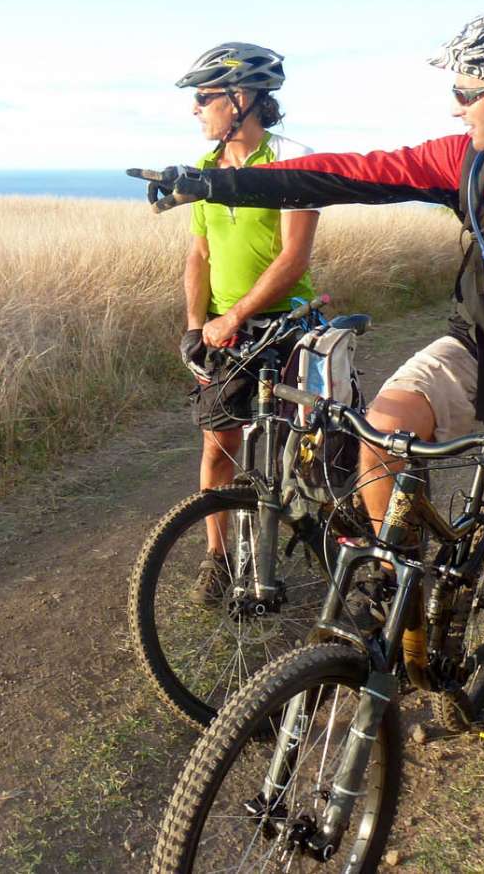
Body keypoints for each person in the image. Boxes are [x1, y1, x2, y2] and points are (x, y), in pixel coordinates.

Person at [135, 8, 484, 817]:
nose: (455, 105)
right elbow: (352, 171)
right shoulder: (470, 158)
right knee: (383, 426)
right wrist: (212, 181)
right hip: (476, 351)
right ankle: (394, 582)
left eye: (466, 88)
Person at [173, 43, 319, 605]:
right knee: (218, 445)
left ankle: (323, 542)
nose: (196, 110)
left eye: (204, 98)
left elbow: (293, 259)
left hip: (284, 325)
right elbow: (200, 254)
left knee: (304, 450)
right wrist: (196, 324)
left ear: (243, 99)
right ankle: (217, 556)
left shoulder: (292, 162)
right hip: (221, 332)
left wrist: (236, 314)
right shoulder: (206, 171)